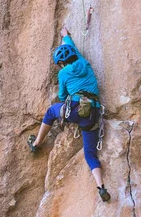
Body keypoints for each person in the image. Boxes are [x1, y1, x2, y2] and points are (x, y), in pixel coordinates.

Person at [28, 26, 111, 202]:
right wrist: (66, 36)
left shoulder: (64, 72)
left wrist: (67, 92)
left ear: (61, 63)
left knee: (51, 111)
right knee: (90, 154)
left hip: (75, 109)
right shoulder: (85, 63)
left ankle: (36, 142)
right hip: (93, 112)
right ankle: (101, 186)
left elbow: (62, 96)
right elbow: (73, 47)